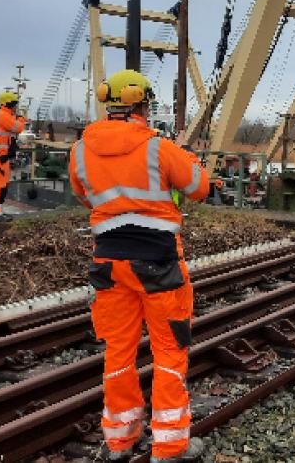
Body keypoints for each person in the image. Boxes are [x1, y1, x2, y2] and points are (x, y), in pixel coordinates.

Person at [69, 69, 209, 462]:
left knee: (118, 349)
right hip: (159, 262)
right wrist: (185, 153)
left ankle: (120, 441)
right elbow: (200, 187)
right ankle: (168, 447)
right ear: (142, 104)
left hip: (109, 262)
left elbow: (87, 198)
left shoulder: (80, 150)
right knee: (169, 350)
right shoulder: (158, 148)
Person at [0, 90, 26, 222]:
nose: (16, 107)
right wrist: (21, 119)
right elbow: (18, 128)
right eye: (14, 104)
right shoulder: (2, 116)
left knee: (1, 184)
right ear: (8, 104)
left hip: (0, 156)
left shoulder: (1, 115)